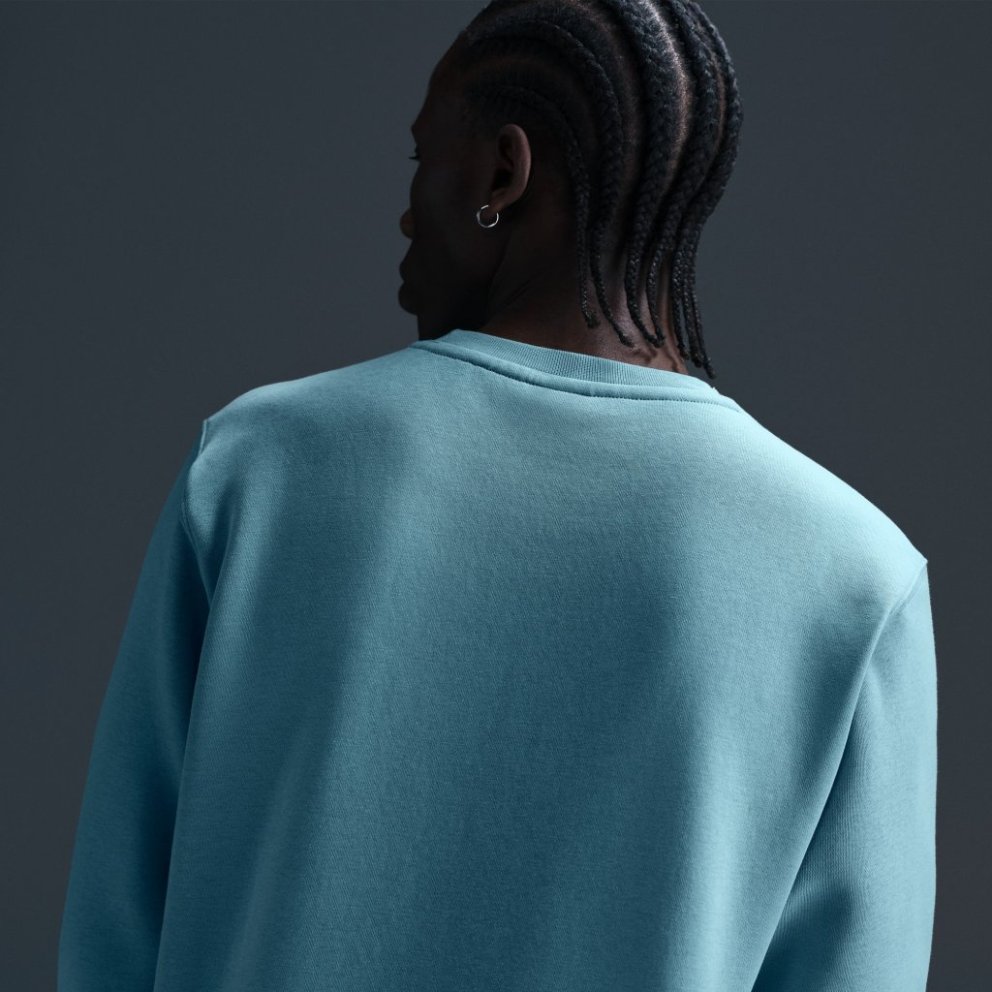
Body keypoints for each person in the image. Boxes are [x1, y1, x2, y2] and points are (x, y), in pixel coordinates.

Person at [58, 2, 938, 990]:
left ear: (500, 175)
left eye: (421, 160)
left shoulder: (260, 466)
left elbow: (114, 931)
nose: (405, 213)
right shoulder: (853, 573)